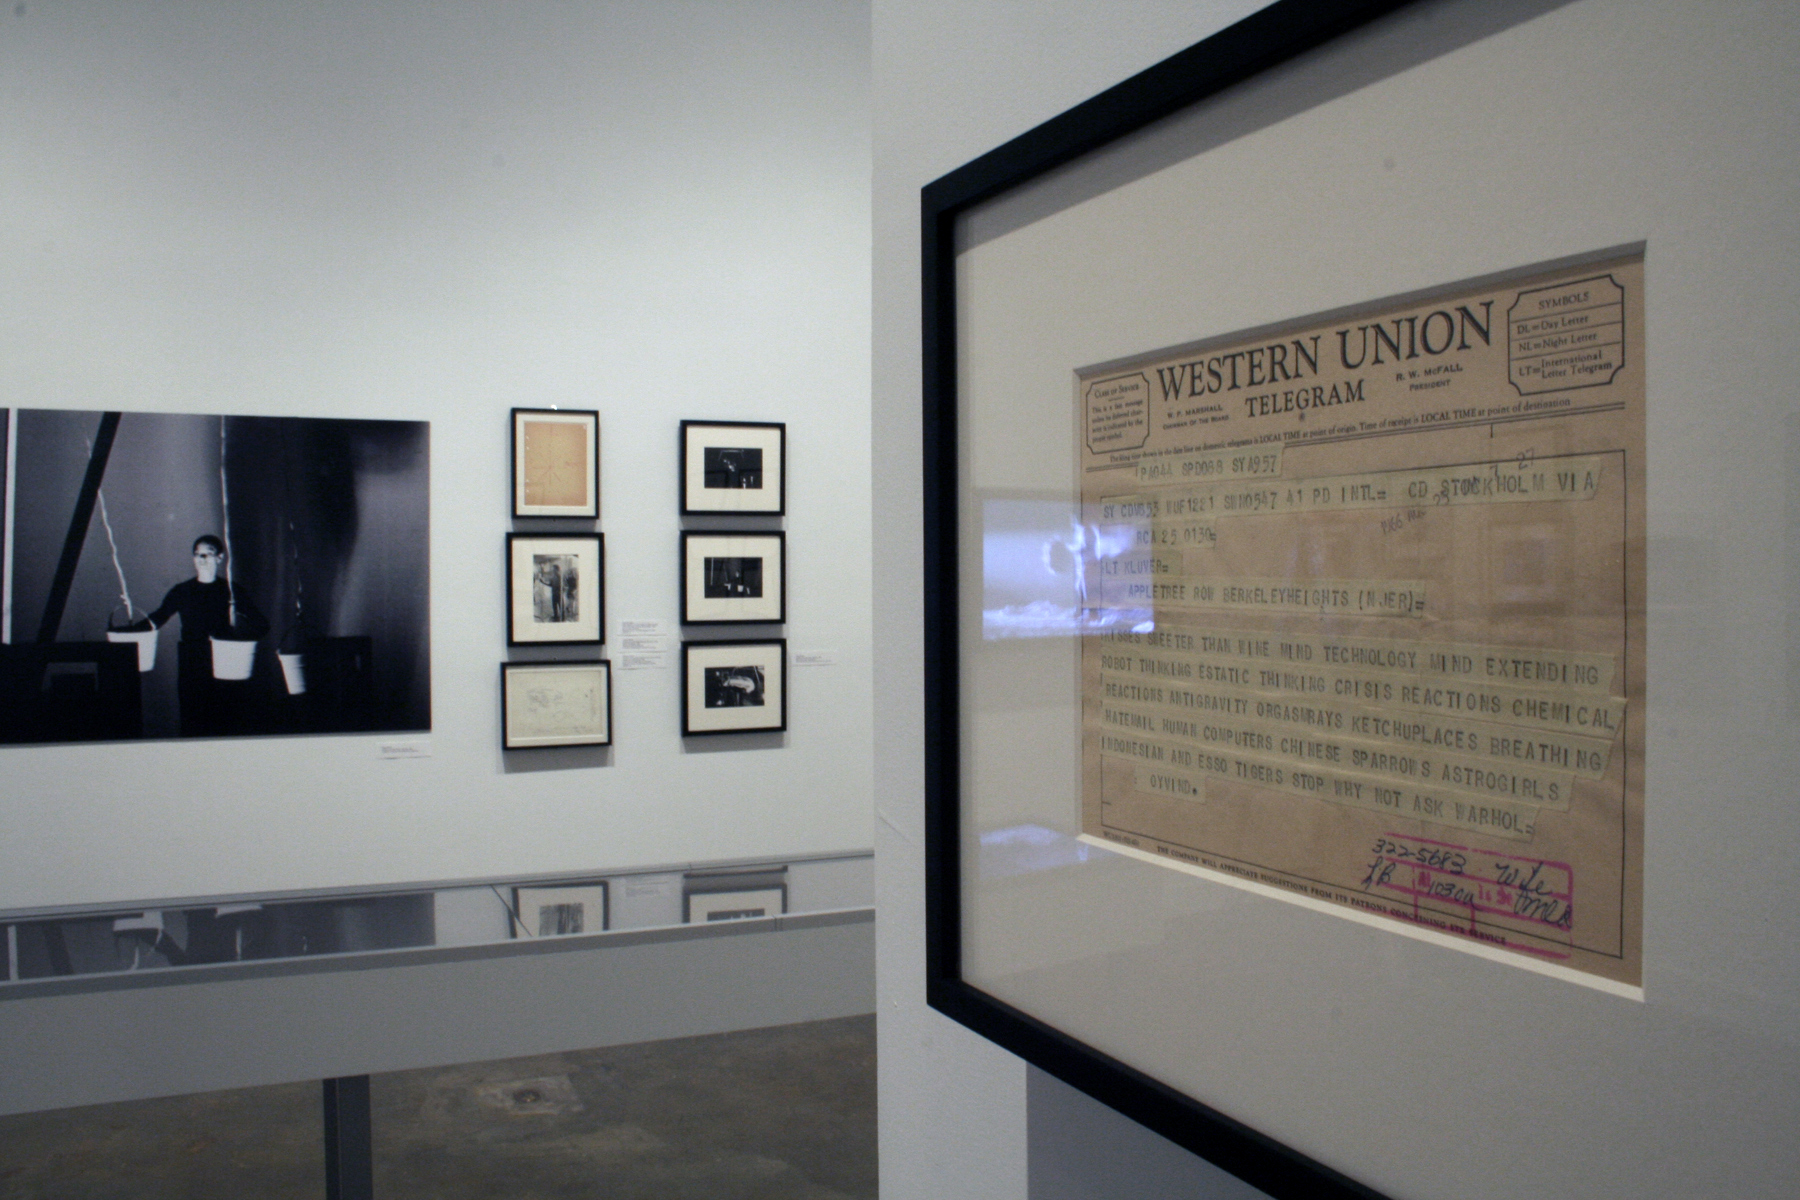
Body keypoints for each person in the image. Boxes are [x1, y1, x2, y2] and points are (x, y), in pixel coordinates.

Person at [148, 536, 268, 736]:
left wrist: (237, 641)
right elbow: (157, 618)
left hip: (225, 666)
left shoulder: (231, 591)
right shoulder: (182, 591)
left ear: (220, 558)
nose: (202, 558)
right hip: (192, 667)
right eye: (197, 554)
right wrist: (131, 629)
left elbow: (262, 625)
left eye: (208, 553)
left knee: (225, 722)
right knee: (193, 723)